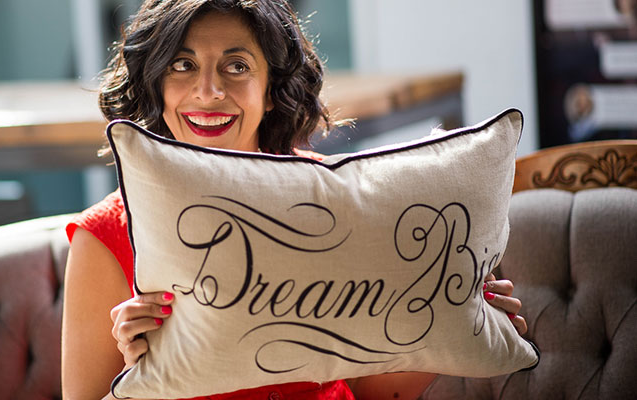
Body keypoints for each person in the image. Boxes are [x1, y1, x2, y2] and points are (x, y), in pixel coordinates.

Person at [61, 1, 528, 399]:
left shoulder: (332, 198)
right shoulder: (106, 234)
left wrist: (448, 312)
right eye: (182, 66)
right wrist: (135, 365)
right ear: (157, 86)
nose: (208, 91)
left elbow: (377, 390)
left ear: (270, 92)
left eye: (237, 66)